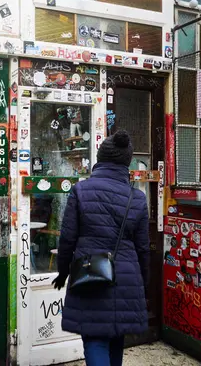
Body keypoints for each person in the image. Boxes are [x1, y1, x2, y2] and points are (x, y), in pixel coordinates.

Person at [52, 130, 149, 366]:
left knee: (95, 339)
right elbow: (144, 248)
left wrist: (63, 272)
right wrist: (141, 282)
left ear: (99, 158)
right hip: (126, 278)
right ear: (127, 161)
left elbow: (67, 239)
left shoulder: (81, 190)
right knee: (117, 338)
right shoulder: (137, 198)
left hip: (90, 276)